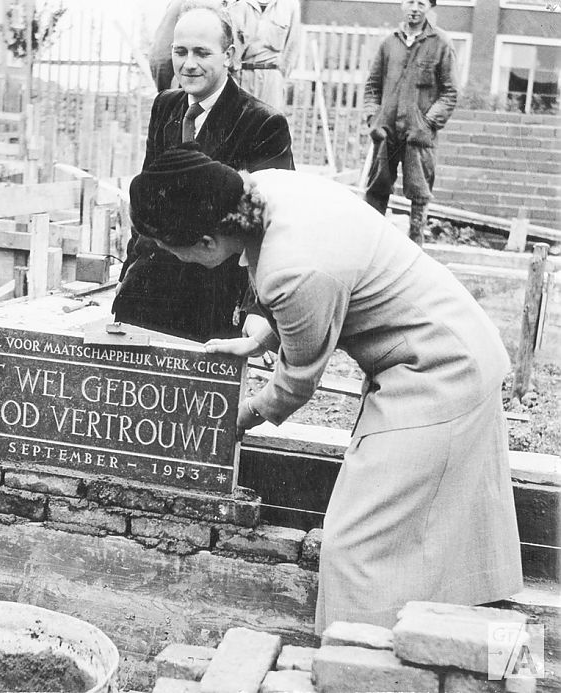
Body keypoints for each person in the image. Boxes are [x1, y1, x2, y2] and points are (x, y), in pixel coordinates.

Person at [128, 144, 523, 633]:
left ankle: (357, 664)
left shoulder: (294, 270)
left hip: (440, 371)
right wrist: (259, 337)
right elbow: (323, 289)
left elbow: (297, 382)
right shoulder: (265, 187)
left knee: (355, 545)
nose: (173, 258)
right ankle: (428, 655)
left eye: (171, 248)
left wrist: (236, 418)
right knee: (423, 538)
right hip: (445, 349)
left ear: (208, 243)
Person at [114, 0, 294, 342]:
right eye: (180, 52)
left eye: (202, 53)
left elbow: (274, 226)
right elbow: (148, 202)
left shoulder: (262, 123)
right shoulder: (165, 106)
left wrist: (258, 311)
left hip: (213, 297)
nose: (188, 64)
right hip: (150, 284)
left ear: (229, 56)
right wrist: (129, 272)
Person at [363, 0, 458, 246]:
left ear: (430, 7)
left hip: (418, 135)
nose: (414, 9)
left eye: (421, 4)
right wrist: (374, 118)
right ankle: (371, 247)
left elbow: (450, 93)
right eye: (410, 2)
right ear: (402, 4)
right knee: (377, 190)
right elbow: (372, 86)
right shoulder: (389, 43)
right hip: (386, 132)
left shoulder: (441, 43)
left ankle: (416, 250)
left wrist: (426, 124)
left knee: (419, 193)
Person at [229, 0, 301, 111]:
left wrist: (279, 76)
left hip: (272, 78)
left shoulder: (289, 2)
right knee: (239, 124)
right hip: (241, 76)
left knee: (271, 124)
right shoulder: (238, 0)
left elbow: (292, 44)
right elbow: (229, 41)